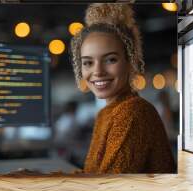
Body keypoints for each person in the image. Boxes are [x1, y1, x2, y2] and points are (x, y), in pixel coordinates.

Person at [70, 3, 176, 174]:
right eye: (88, 62)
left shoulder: (133, 111)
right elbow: (91, 176)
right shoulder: (106, 113)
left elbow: (107, 188)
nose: (97, 71)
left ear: (130, 63)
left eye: (110, 59)